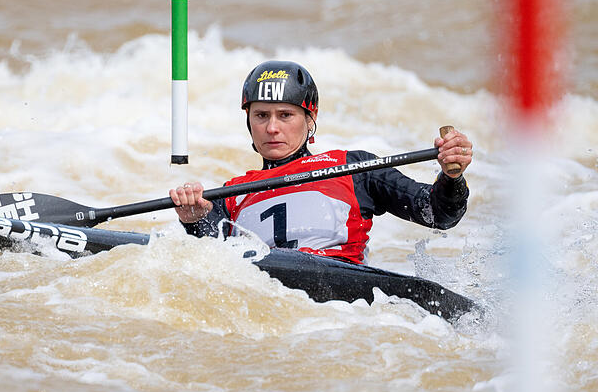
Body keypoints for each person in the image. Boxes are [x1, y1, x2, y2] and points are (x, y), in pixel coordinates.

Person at [169, 60, 472, 264]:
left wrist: (450, 177)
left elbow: (438, 214)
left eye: (285, 115)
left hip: (338, 299)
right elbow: (212, 262)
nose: (272, 128)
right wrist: (194, 218)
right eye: (261, 116)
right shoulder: (231, 193)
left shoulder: (354, 168)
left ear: (309, 119)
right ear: (249, 121)